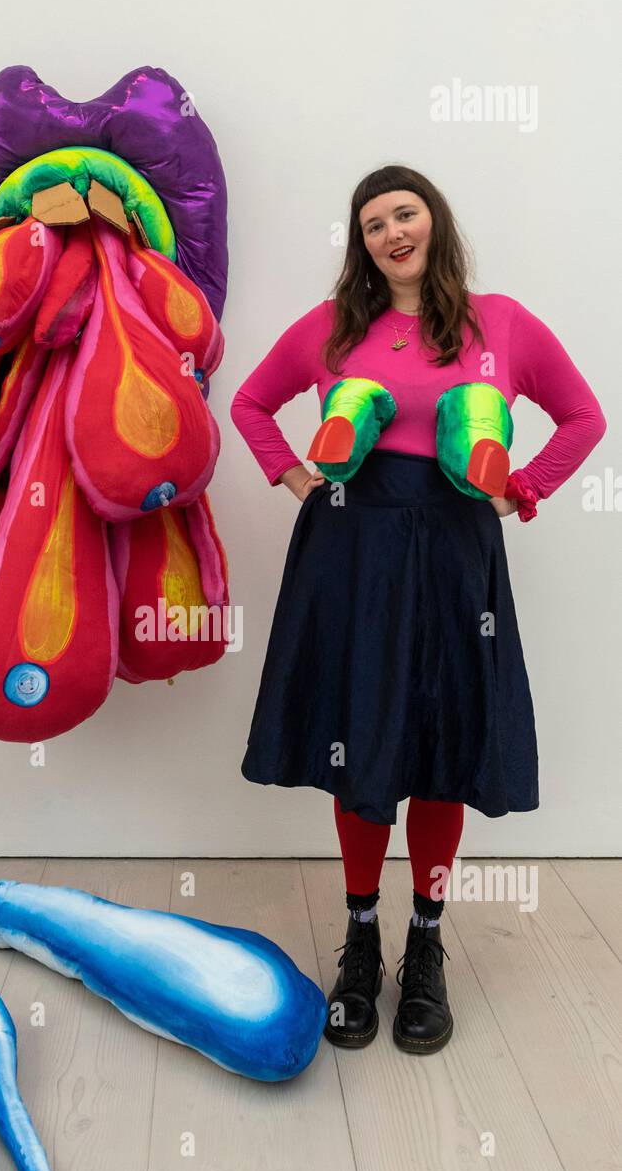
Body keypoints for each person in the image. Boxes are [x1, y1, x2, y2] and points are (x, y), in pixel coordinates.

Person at [230, 165, 606, 1056]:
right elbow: (248, 402)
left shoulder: (499, 322)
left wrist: (524, 488)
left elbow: (582, 416)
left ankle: (425, 946)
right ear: (359, 245)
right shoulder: (334, 329)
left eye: (404, 214)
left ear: (433, 221)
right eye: (371, 225)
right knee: (359, 738)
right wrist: (289, 473)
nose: (391, 233)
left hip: (453, 547)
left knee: (441, 744)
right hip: (349, 546)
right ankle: (360, 942)